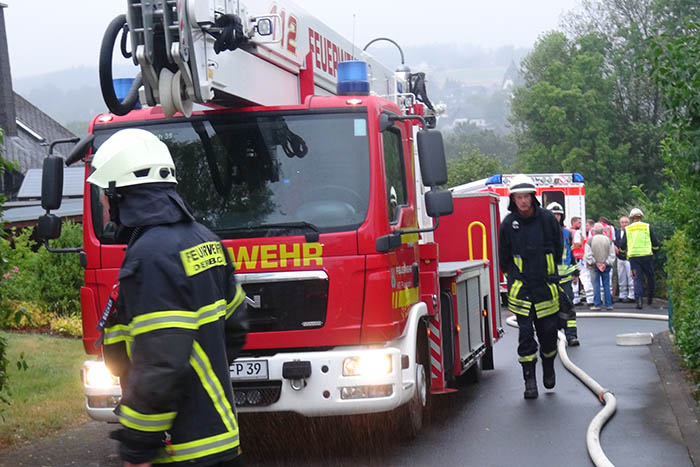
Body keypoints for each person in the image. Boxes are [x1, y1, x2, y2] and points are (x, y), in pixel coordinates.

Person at [88, 129, 249, 467]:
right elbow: (235, 329)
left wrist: (138, 444)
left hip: (183, 448)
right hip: (220, 439)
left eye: (104, 194)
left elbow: (161, 362)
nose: (102, 204)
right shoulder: (203, 238)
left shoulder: (151, 256)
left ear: (120, 194)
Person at [499, 175, 562, 399]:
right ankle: (529, 382)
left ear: (532, 197)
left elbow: (558, 249)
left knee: (548, 334)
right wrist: (515, 277)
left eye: (526, 196)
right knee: (525, 337)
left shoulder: (547, 219)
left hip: (545, 289)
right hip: (522, 292)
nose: (523, 201)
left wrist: (549, 271)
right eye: (519, 197)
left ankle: (548, 366)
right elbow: (503, 257)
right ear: (513, 199)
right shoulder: (508, 224)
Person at [547, 202, 579, 346]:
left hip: (565, 278)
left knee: (569, 308)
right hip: (548, 278)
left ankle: (571, 336)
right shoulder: (542, 232)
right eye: (553, 214)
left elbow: (570, 254)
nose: (556, 217)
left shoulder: (566, 233)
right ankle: (551, 338)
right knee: (548, 310)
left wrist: (575, 271)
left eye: (558, 214)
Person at [620, 208, 660, 309]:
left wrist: (622, 253)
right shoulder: (647, 226)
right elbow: (655, 242)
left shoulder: (628, 229)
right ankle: (650, 297)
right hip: (647, 255)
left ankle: (639, 302)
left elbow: (622, 245)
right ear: (641, 217)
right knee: (650, 277)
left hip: (634, 257)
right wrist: (655, 251)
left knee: (637, 279)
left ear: (631, 218)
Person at [584, 223, 616, 311]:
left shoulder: (590, 240)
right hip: (606, 265)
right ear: (602, 231)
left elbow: (588, 254)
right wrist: (605, 263)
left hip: (594, 266)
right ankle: (608, 304)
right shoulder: (608, 240)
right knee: (606, 285)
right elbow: (612, 254)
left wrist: (595, 263)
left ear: (594, 231)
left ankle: (597, 304)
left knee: (596, 285)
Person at [615, 216, 635, 303]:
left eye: (626, 222)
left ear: (629, 223)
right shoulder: (617, 232)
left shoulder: (632, 232)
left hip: (628, 258)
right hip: (619, 257)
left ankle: (631, 295)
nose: (624, 224)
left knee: (630, 277)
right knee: (621, 277)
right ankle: (622, 295)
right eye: (622, 222)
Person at [569, 217, 584, 306]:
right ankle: (577, 299)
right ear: (573, 222)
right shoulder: (577, 232)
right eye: (578, 222)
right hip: (578, 258)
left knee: (573, 279)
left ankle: (575, 298)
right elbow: (578, 244)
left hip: (572, 257)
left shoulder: (569, 231)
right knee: (579, 278)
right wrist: (582, 240)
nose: (580, 224)